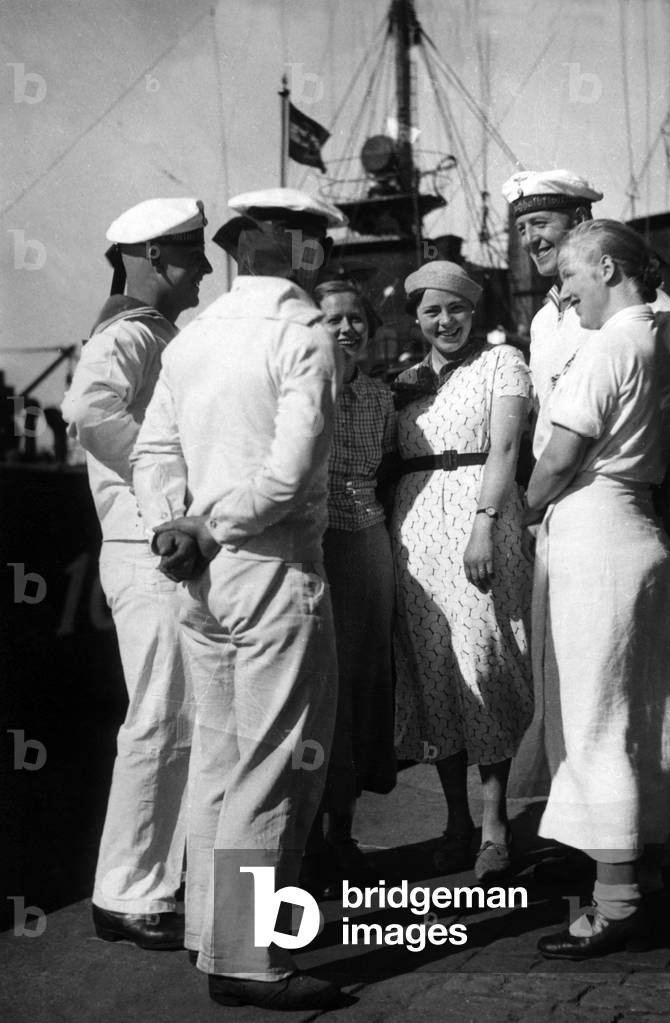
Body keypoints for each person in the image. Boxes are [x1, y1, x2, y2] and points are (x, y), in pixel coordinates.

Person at [131, 188, 347, 1011]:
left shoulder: (193, 339)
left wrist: (171, 531)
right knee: (276, 762)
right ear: (304, 252)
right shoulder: (302, 335)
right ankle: (249, 959)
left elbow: (153, 451)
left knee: (218, 758)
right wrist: (214, 527)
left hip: (196, 575)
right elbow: (289, 476)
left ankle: (209, 936)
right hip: (271, 565)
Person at [524, 219, 670, 958]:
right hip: (645, 535)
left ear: (613, 269)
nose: (563, 292)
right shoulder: (667, 336)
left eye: (573, 276)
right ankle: (645, 879)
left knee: (595, 716)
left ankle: (616, 902)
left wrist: (516, 509)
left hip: (594, 538)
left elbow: (559, 458)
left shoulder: (608, 344)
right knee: (646, 713)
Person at [61, 197, 212, 950]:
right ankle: (126, 891)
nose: (206, 268)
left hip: (158, 549)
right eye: (192, 256)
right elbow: (88, 411)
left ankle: (158, 879)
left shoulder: (153, 334)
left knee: (177, 715)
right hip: (146, 547)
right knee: (159, 715)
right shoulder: (126, 334)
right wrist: (168, 494)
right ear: (154, 256)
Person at [502, 168, 670, 559]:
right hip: (560, 508)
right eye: (522, 228)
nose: (530, 240)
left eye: (540, 224)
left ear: (578, 220)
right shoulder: (544, 321)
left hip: (630, 504)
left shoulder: (645, 306)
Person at [390, 260, 533, 881]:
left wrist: (483, 521)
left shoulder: (503, 363)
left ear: (474, 312)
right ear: (417, 319)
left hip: (482, 515)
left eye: (456, 309)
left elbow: (505, 447)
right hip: (414, 531)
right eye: (432, 311)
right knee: (434, 669)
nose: (445, 321)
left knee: (486, 657)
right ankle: (456, 820)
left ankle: (496, 824)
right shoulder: (404, 382)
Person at [301, 279, 397, 895]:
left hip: (365, 547)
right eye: (332, 318)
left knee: (361, 683)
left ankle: (342, 833)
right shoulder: (295, 388)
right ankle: (304, 840)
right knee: (312, 691)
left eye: (356, 318)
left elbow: (386, 473)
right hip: (310, 545)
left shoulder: (381, 399)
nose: (346, 328)